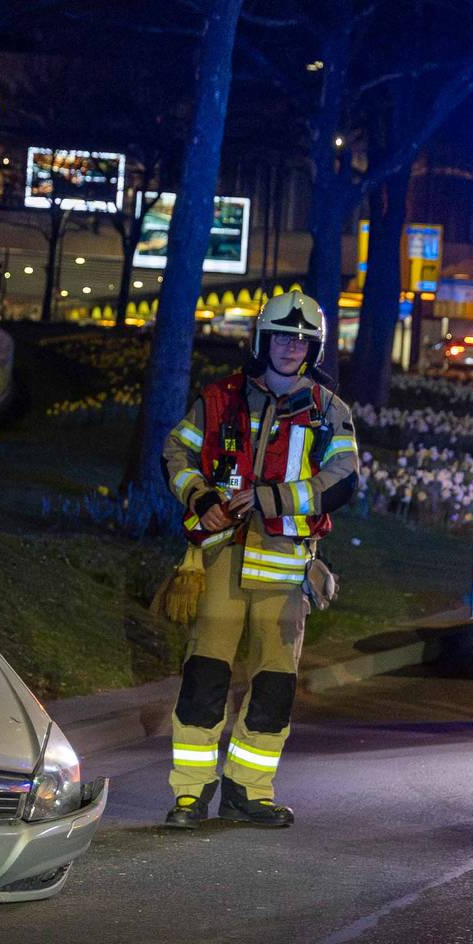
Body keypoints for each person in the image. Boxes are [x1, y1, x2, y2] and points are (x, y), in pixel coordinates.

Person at [158, 291, 358, 829]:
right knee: (204, 679)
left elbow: (343, 480)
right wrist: (200, 497)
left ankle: (248, 792)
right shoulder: (219, 398)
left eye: (302, 340)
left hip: (286, 570)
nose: (291, 348)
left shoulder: (328, 410)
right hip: (221, 558)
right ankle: (190, 795)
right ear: (262, 341)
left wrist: (271, 499)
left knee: (274, 686)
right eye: (282, 338)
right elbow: (176, 452)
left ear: (313, 349)